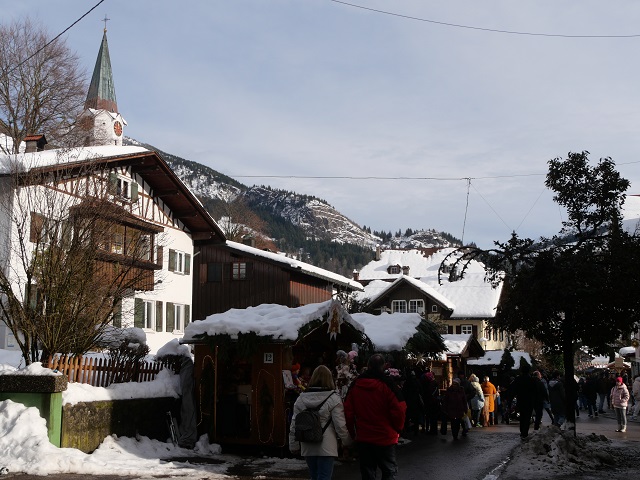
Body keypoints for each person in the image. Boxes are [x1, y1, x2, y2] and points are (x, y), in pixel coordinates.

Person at [344, 354, 407, 480]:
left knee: (368, 473)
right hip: (385, 436)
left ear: (368, 365)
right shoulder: (389, 385)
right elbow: (400, 408)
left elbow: (348, 411)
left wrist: (353, 432)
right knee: (389, 471)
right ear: (384, 366)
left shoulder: (356, 384)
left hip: (364, 436)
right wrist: (397, 429)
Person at [289, 365, 353, 480]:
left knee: (314, 476)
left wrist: (293, 444)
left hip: (307, 442)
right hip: (326, 445)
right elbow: (340, 425)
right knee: (324, 476)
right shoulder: (333, 398)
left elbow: (294, 423)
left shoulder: (301, 398)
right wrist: (347, 441)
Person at [510, 364, 540, 439]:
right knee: (527, 416)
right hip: (529, 401)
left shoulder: (518, 379)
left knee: (522, 416)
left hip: (520, 400)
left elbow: (513, 390)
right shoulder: (531, 380)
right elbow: (536, 391)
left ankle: (522, 430)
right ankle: (524, 432)